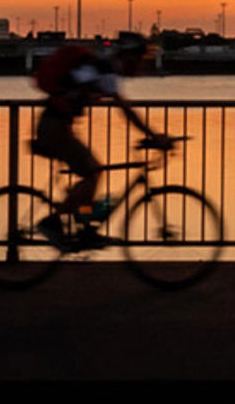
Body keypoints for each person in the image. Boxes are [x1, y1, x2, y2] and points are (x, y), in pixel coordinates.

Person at [31, 32, 172, 249]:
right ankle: (51, 223)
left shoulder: (102, 69)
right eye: (139, 60)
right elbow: (125, 110)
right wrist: (153, 136)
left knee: (92, 177)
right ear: (128, 57)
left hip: (58, 125)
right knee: (92, 173)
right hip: (54, 128)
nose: (140, 67)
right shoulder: (105, 70)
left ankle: (85, 227)